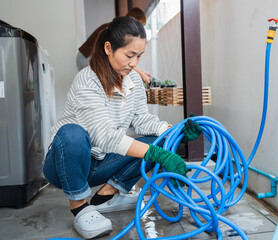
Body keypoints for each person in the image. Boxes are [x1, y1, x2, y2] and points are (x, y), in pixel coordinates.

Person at [43, 16, 202, 239]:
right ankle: (79, 206)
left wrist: (175, 132)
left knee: (160, 141)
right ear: (108, 48)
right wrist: (159, 155)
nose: (135, 63)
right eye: (129, 55)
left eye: (139, 56)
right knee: (71, 133)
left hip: (100, 162)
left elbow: (143, 121)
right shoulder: (87, 81)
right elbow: (105, 136)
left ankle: (106, 196)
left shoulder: (134, 81)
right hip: (65, 164)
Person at [76, 7, 152, 83]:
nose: (140, 28)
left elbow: (129, 58)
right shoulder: (115, 31)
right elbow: (125, 58)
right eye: (140, 24)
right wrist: (141, 73)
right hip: (85, 57)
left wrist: (142, 71)